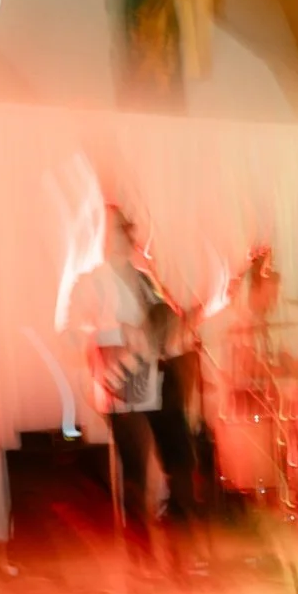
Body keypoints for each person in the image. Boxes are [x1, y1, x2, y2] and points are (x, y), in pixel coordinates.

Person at [76, 207, 200, 574]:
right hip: (125, 380)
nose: (126, 236)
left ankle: (182, 554)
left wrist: (180, 326)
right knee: (135, 473)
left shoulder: (146, 278)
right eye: (118, 230)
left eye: (126, 230)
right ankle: (141, 559)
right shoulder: (92, 282)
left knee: (180, 460)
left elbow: (162, 324)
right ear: (104, 236)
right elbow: (71, 329)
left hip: (159, 374)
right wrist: (117, 331)